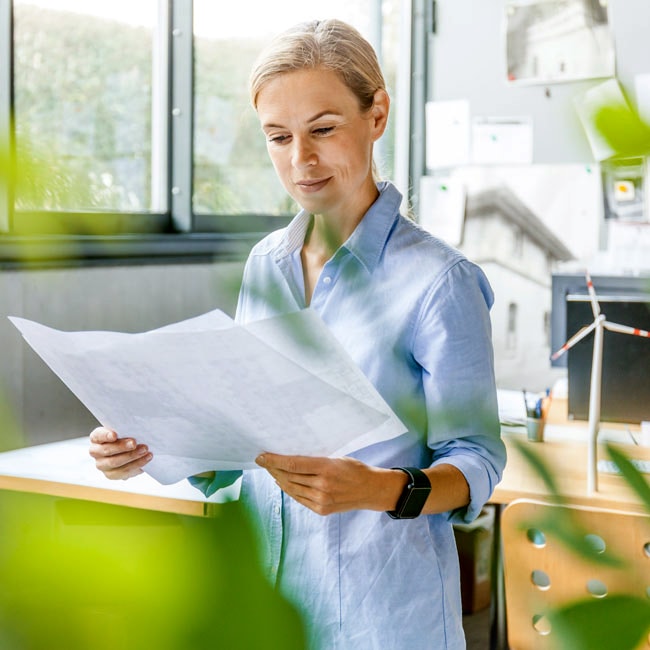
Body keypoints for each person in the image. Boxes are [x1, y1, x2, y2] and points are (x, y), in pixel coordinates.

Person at [90, 19, 506, 650]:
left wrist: (379, 487)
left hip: (382, 619)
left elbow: (477, 460)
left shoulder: (440, 282)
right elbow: (242, 438)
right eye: (278, 137)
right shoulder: (265, 264)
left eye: (322, 130)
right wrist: (149, 443)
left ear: (377, 115)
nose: (299, 160)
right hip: (270, 608)